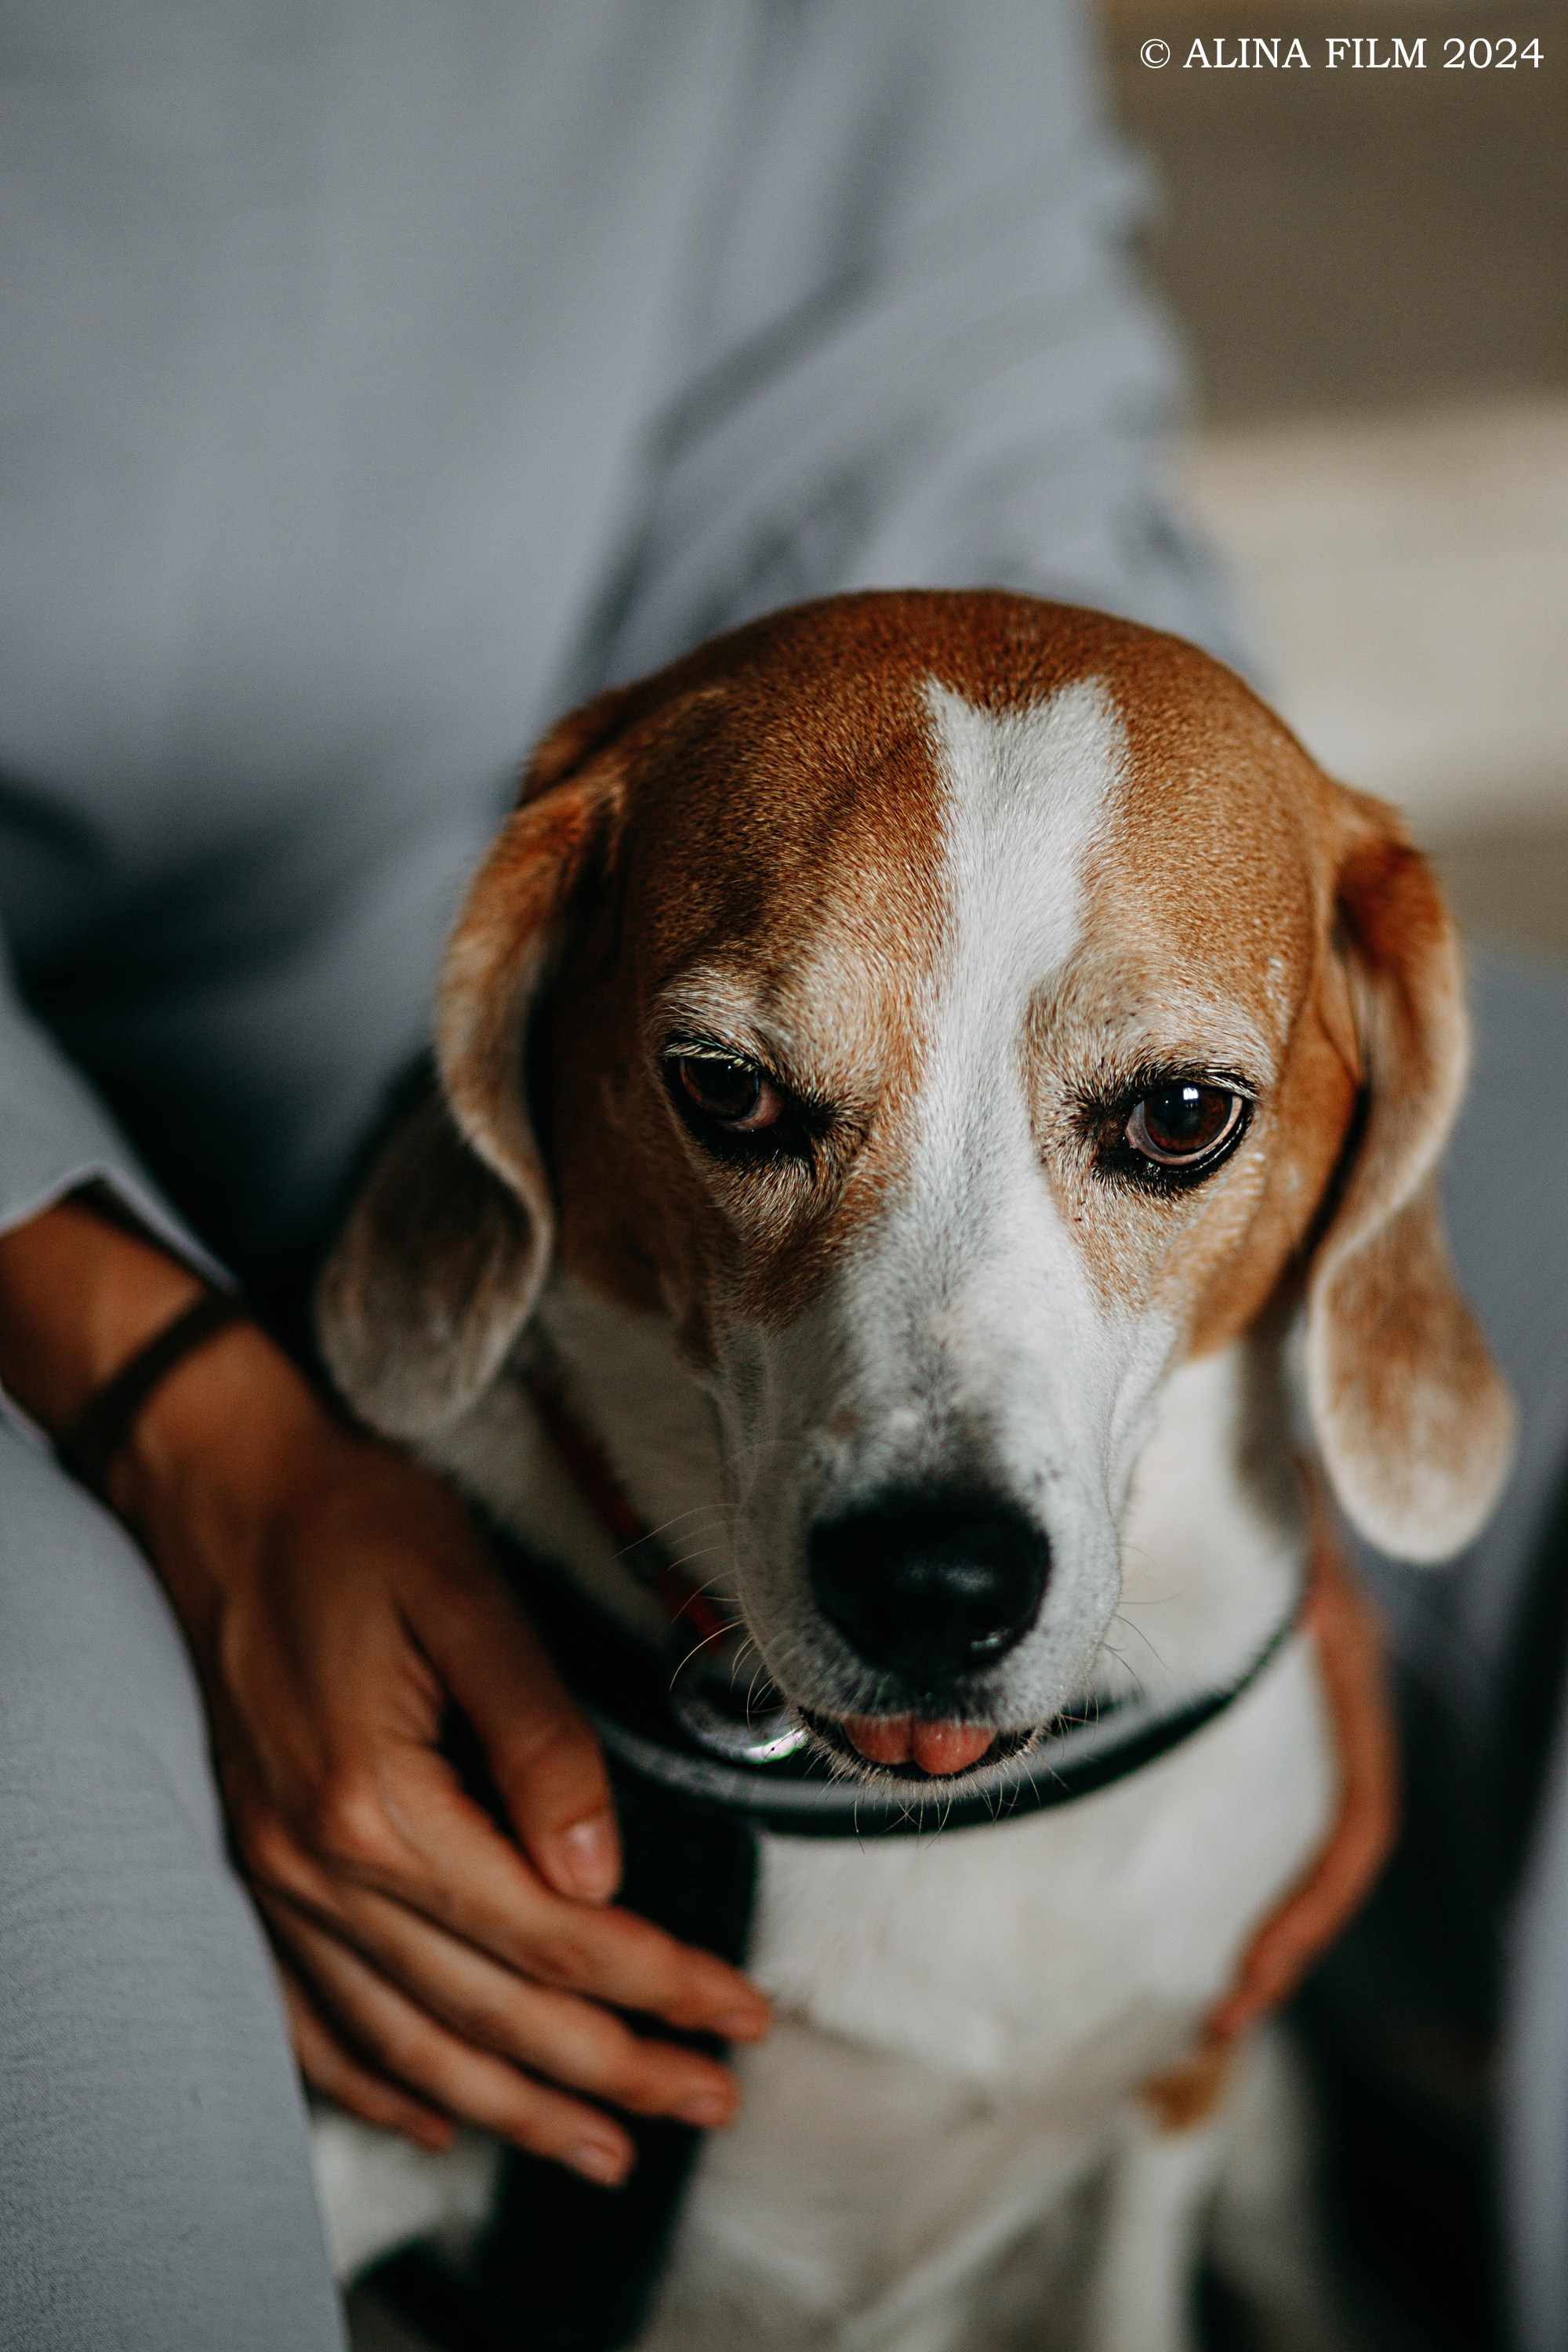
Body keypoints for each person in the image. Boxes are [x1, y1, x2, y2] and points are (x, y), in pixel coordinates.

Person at [2, 7, 1564, 2352]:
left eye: (1168, 1122)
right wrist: (184, 1426)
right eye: (764, 1100)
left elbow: (978, 413)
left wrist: (1183, 875)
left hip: (779, 835)